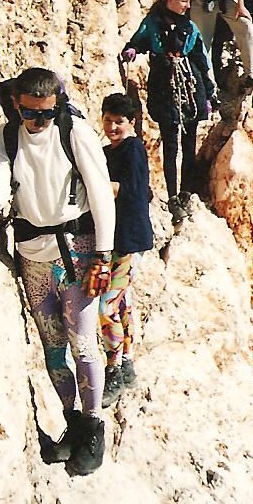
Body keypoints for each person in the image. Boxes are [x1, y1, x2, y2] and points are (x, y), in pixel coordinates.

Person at [0, 67, 115, 477]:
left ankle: (93, 428)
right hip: (32, 255)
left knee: (83, 343)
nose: (40, 121)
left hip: (77, 252)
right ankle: (72, 422)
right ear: (16, 105)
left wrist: (103, 256)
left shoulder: (74, 132)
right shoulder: (5, 139)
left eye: (47, 113)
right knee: (53, 346)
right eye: (31, 113)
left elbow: (101, 194)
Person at [121, 0, 216, 225]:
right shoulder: (153, 23)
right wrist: (132, 50)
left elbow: (201, 60)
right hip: (164, 86)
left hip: (189, 86)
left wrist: (208, 93)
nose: (187, 6)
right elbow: (138, 41)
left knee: (189, 142)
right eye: (184, 1)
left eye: (188, 1)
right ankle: (173, 196)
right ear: (170, 0)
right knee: (171, 143)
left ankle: (186, 193)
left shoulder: (190, 28)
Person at [99, 93, 154, 407]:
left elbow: (134, 189)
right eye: (108, 120)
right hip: (117, 239)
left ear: (131, 122)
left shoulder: (133, 149)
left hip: (129, 241)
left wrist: (97, 185)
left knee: (106, 306)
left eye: (118, 121)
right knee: (122, 304)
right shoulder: (107, 151)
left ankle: (114, 368)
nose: (112, 127)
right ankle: (127, 361)